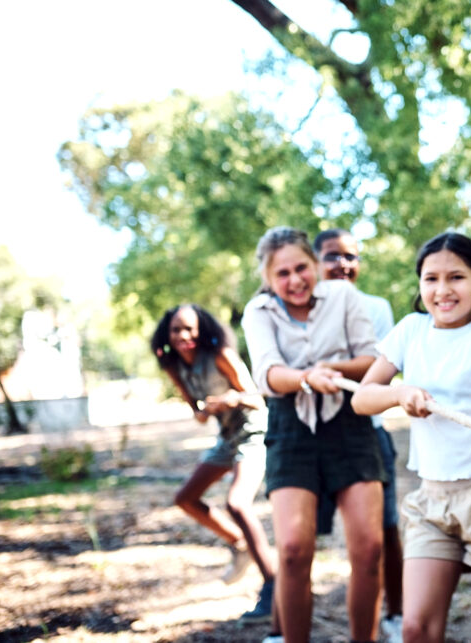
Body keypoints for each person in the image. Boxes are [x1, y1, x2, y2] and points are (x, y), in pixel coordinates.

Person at [351, 232, 471, 643]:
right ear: (420, 285)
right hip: (431, 500)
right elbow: (363, 398)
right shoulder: (410, 331)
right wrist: (400, 393)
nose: (442, 290)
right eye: (430, 278)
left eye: (456, 277)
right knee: (416, 629)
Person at [241, 226, 385, 643]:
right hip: (290, 427)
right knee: (292, 550)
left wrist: (333, 372)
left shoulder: (342, 296)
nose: (295, 280)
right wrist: (306, 377)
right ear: (268, 279)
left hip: (349, 423)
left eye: (301, 267)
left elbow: (372, 358)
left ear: (315, 265)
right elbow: (267, 374)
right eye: (282, 273)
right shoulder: (258, 312)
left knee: (369, 549)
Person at [150, 304, 276, 623]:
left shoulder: (221, 355)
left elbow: (258, 398)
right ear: (167, 334)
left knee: (237, 503)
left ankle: (274, 586)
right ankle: (239, 543)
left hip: (254, 431)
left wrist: (231, 399)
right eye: (177, 330)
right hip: (226, 436)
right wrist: (203, 411)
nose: (184, 336)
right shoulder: (174, 366)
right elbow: (196, 411)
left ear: (202, 330)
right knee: (186, 499)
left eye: (190, 329)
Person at [313, 228, 405, 641]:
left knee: (384, 530)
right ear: (315, 262)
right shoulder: (303, 305)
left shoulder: (376, 306)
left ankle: (396, 612)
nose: (342, 264)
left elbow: (376, 369)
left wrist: (324, 366)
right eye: (332, 255)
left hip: (369, 433)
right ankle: (280, 617)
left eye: (350, 256)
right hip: (313, 437)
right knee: (298, 540)